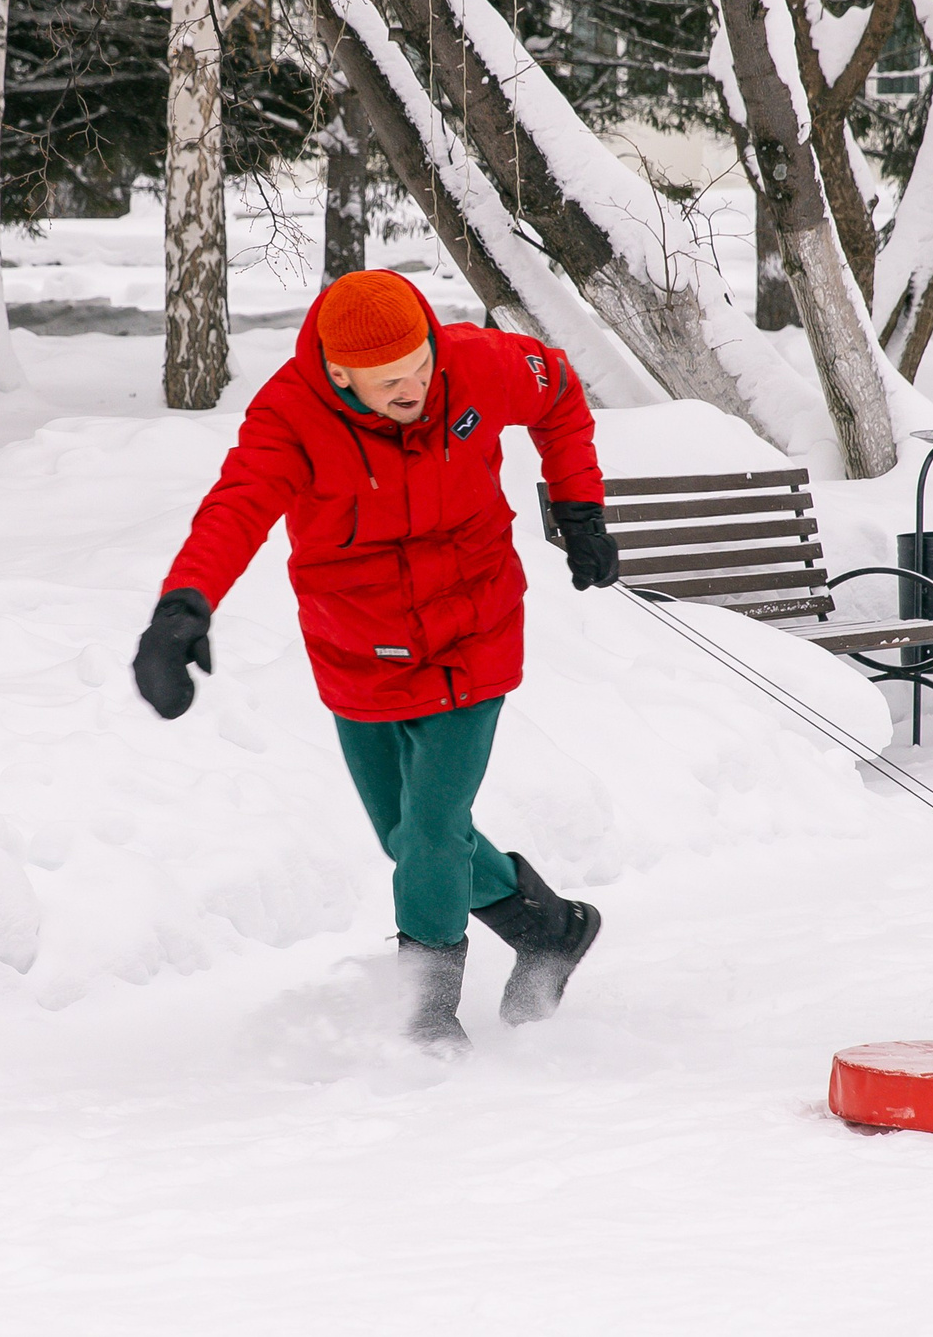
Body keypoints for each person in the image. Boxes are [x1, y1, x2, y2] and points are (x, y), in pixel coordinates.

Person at [130, 269, 624, 1053]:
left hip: (474, 628)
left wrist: (580, 505)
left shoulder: (475, 365)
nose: (417, 389)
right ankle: (549, 928)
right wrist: (182, 607)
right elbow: (238, 505)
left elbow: (558, 392)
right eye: (393, 381)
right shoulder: (291, 417)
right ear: (338, 374)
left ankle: (424, 1016)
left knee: (430, 834)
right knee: (408, 837)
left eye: (423, 367)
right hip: (358, 646)